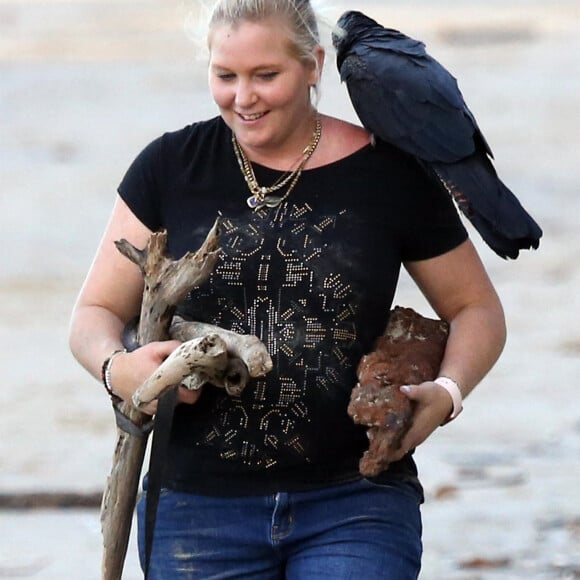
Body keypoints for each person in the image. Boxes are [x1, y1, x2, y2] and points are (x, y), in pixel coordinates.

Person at [69, 0, 506, 578]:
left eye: (265, 75)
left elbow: (476, 309)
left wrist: (447, 393)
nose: (242, 97)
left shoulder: (390, 173)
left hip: (357, 503)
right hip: (196, 511)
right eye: (225, 76)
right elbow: (93, 314)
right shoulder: (169, 167)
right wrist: (118, 370)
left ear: (314, 66)